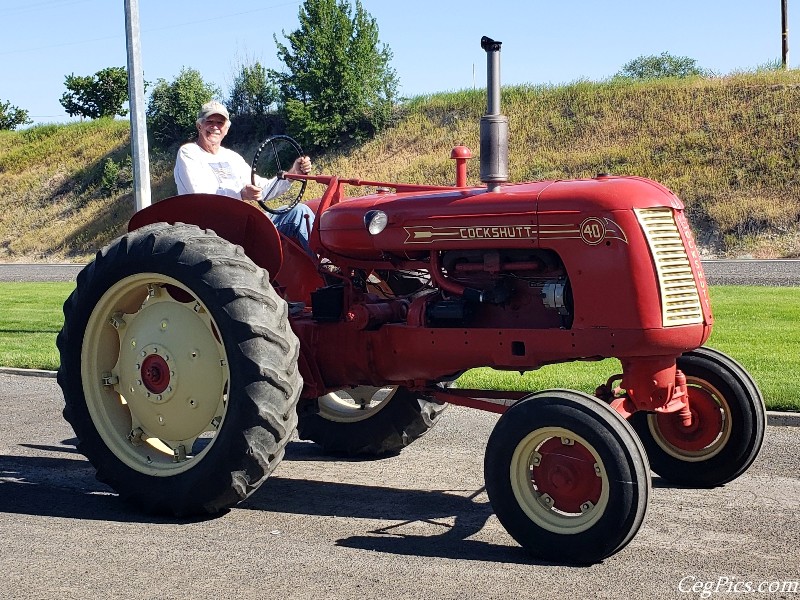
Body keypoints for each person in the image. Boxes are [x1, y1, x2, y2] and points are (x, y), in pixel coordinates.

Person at [174, 100, 315, 254]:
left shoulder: (232, 157)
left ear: (226, 129)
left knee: (300, 212)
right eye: (210, 121)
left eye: (220, 123)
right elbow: (202, 197)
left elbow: (262, 189)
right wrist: (240, 194)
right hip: (212, 231)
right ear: (199, 126)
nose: (215, 127)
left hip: (243, 226)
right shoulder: (189, 153)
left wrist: (292, 174)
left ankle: (328, 269)